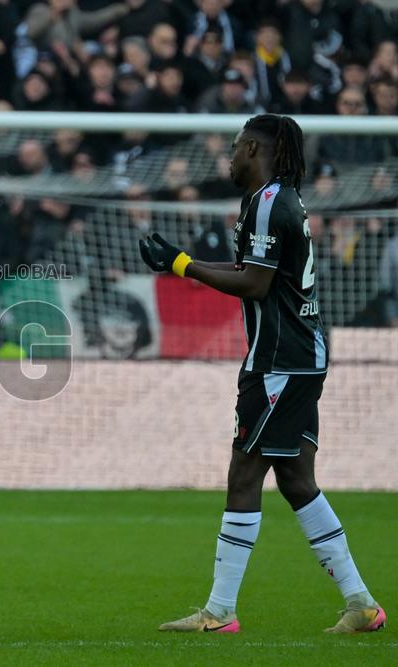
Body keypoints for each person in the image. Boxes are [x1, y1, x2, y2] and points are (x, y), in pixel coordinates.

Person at [139, 114, 385, 634]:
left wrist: (185, 265)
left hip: (280, 361)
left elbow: (253, 285)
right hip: (298, 355)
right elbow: (258, 276)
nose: (228, 157)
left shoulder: (271, 202)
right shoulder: (270, 201)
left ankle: (219, 611)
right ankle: (361, 604)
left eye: (233, 148)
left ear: (253, 148)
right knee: (296, 480)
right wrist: (181, 263)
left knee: (244, 474)